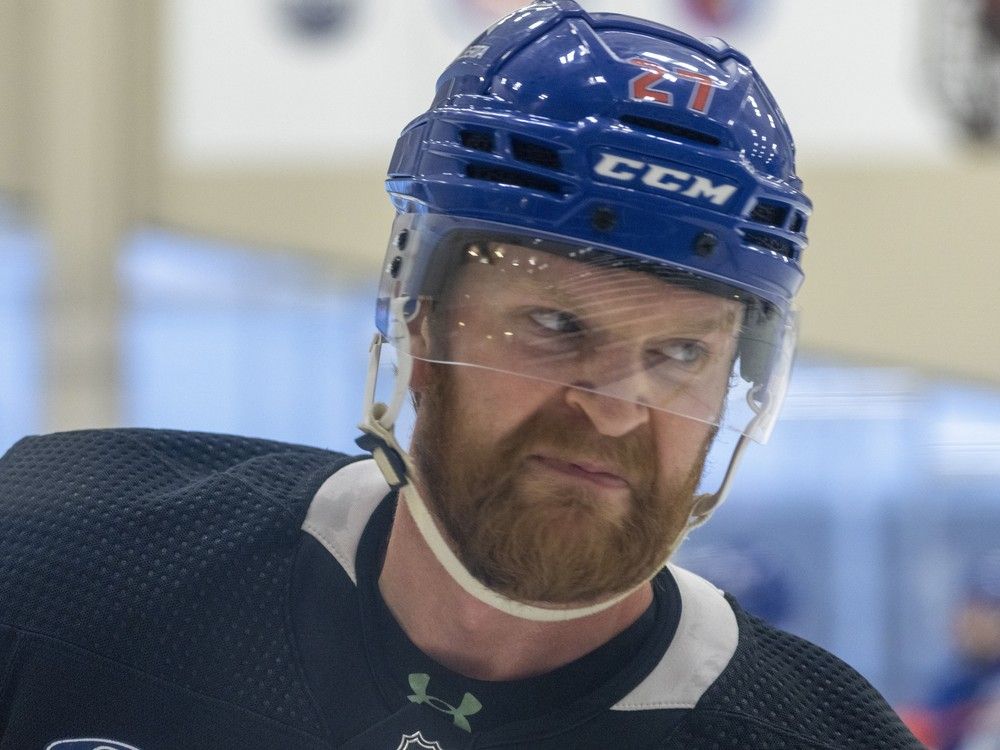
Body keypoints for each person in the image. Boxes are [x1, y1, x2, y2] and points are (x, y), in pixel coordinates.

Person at [0, 2, 922, 748]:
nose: (614, 410)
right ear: (419, 314)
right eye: (554, 325)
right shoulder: (62, 559)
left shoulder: (820, 735)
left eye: (680, 353)